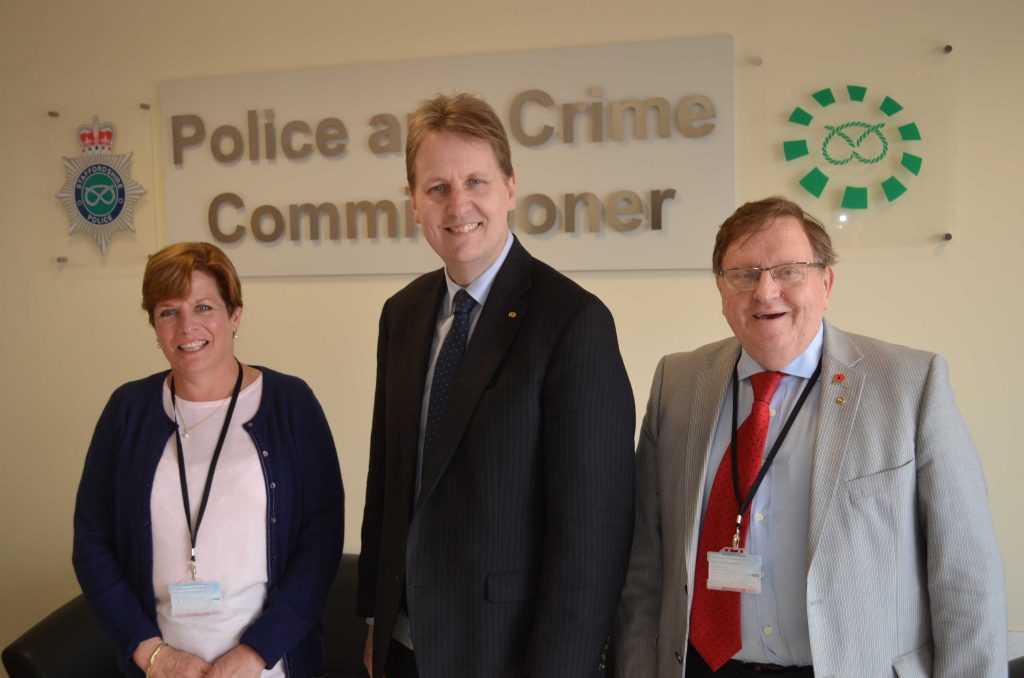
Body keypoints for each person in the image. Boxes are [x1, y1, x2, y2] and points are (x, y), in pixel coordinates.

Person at [615, 196, 1006, 677]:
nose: (764, 291)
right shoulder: (677, 383)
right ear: (720, 288)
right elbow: (645, 566)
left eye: (788, 271)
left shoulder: (910, 385)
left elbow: (966, 578)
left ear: (826, 282)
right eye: (744, 274)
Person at [357, 93, 636, 678]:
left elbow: (593, 541)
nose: (458, 204)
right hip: (406, 648)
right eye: (436, 188)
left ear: (510, 188)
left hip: (505, 654)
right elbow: (387, 480)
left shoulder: (572, 322)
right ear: (412, 202)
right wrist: (373, 621)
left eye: (476, 181)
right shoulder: (402, 315)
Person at [73, 242, 345, 678]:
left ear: (235, 316)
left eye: (203, 307)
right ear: (154, 324)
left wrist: (255, 654)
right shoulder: (128, 410)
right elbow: (92, 544)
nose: (186, 327)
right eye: (168, 311)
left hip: (271, 669)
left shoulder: (290, 404)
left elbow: (322, 540)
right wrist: (154, 657)